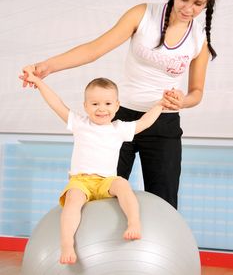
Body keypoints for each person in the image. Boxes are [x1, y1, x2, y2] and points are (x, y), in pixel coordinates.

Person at [20, 0, 217, 210]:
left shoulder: (199, 39)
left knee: (164, 203)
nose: (189, 8)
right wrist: (46, 67)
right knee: (100, 195)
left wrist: (183, 100)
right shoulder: (143, 14)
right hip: (120, 119)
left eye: (198, 4)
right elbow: (94, 49)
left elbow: (196, 93)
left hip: (163, 123)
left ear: (207, 3)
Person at [21, 70, 163, 264]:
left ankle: (134, 223)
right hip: (81, 180)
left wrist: (161, 105)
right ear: (85, 106)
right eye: (95, 104)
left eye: (107, 103)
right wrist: (38, 82)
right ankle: (67, 244)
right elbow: (56, 103)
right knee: (72, 201)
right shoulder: (79, 123)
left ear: (117, 106)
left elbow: (144, 122)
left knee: (123, 185)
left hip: (107, 181)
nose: (101, 109)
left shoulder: (119, 128)